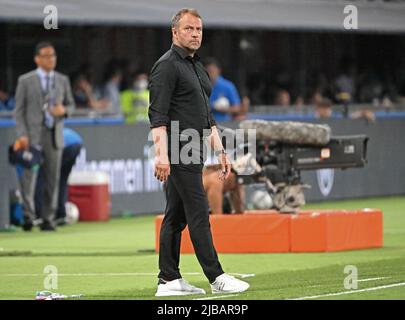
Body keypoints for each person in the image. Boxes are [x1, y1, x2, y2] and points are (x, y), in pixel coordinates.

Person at [148, 8, 249, 297]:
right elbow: (158, 116)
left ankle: (168, 280)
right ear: (175, 32)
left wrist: (221, 152)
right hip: (178, 150)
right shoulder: (166, 66)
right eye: (189, 29)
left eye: (199, 30)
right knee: (198, 213)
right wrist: (161, 155)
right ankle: (216, 277)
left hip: (194, 150)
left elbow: (206, 117)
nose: (195, 34)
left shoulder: (196, 66)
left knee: (175, 217)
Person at [14, 41, 75, 231]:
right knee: (28, 178)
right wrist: (22, 134)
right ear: (37, 59)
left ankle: (48, 218)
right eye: (47, 56)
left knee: (52, 178)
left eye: (53, 56)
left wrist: (63, 110)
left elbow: (71, 106)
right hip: (32, 136)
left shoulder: (62, 80)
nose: (51, 59)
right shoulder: (25, 80)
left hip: (53, 134)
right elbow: (19, 111)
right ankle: (28, 217)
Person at [35, 127, 83, 226]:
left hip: (65, 146)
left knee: (44, 179)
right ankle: (61, 214)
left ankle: (40, 214)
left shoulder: (39, 137)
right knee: (62, 180)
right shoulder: (49, 131)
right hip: (77, 142)